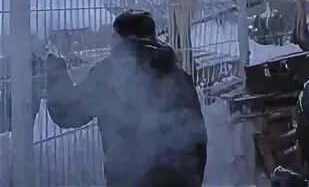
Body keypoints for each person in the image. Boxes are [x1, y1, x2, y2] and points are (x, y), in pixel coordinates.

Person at [46, 10, 207, 186]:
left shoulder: (110, 74)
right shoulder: (178, 76)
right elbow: (198, 141)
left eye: (114, 35)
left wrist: (55, 71)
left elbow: (66, 112)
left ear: (121, 40)